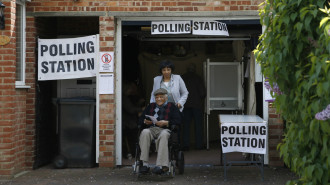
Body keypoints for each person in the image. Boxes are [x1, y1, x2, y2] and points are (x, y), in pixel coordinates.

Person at [138, 88, 181, 174]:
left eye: (161, 97)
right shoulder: (150, 106)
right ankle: (144, 164)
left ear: (166, 98)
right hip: (152, 129)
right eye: (157, 97)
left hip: (165, 130)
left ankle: (161, 166)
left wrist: (167, 123)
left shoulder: (172, 107)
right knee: (145, 132)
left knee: (164, 135)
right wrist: (145, 121)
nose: (159, 99)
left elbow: (178, 121)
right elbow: (141, 119)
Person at [181, 64, 206, 150]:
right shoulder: (198, 78)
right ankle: (199, 145)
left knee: (186, 126)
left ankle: (185, 145)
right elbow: (202, 93)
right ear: (194, 69)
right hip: (197, 105)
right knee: (198, 125)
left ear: (187, 69)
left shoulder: (182, 78)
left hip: (185, 105)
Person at [122, 81, 144, 159]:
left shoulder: (127, 97)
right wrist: (141, 109)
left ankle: (135, 152)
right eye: (130, 89)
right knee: (133, 136)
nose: (131, 90)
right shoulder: (124, 98)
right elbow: (130, 109)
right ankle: (135, 153)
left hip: (128, 120)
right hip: (127, 122)